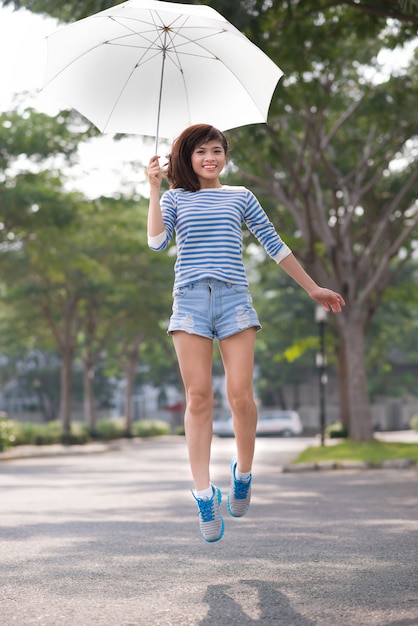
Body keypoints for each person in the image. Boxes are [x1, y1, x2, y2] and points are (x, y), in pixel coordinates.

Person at [146, 124, 345, 543]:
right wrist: (152, 189)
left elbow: (274, 243)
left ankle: (244, 473)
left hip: (235, 300)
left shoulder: (241, 197)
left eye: (216, 150)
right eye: (201, 152)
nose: (210, 158)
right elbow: (157, 244)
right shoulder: (174, 198)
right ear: (188, 157)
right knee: (198, 397)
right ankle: (203, 494)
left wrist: (312, 287)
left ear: (224, 155)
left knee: (240, 395)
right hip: (190, 302)